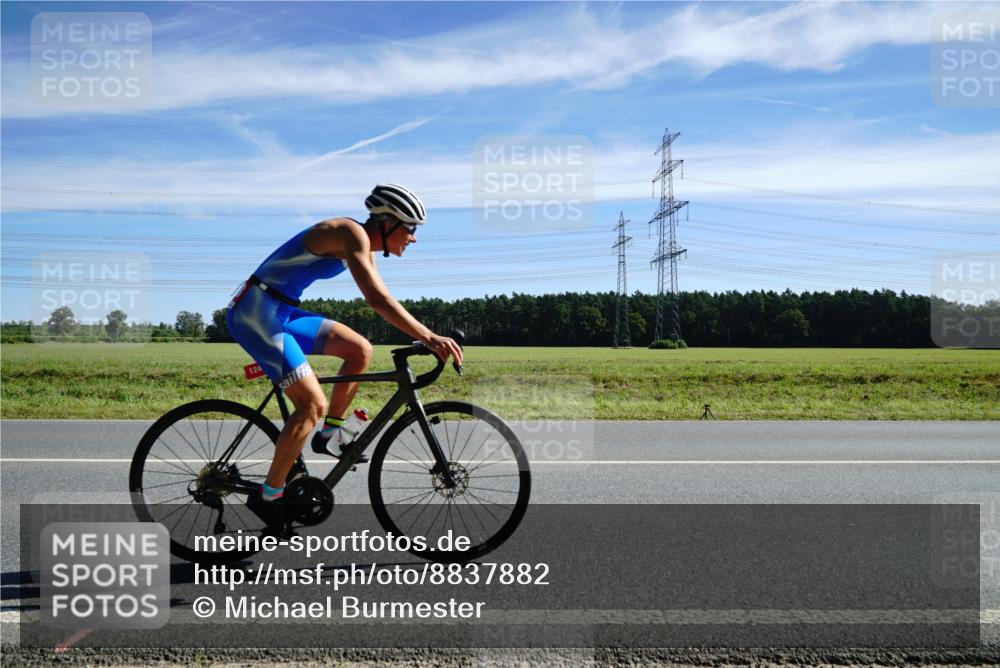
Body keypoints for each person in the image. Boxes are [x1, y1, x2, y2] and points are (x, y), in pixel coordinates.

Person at [226, 184, 463, 530]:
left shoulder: (361, 243)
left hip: (281, 311)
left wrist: (424, 334)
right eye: (410, 228)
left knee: (359, 349)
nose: (413, 238)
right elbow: (377, 300)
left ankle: (329, 437)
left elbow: (384, 296)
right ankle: (269, 494)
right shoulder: (350, 233)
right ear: (387, 223)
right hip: (255, 312)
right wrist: (427, 336)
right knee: (310, 405)